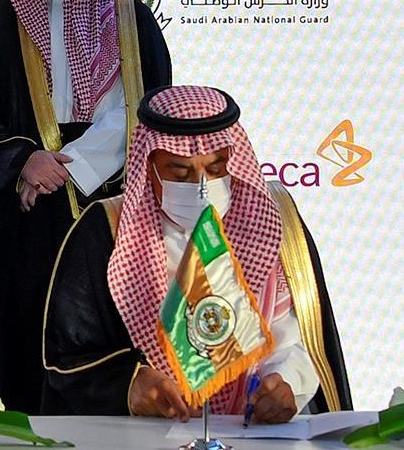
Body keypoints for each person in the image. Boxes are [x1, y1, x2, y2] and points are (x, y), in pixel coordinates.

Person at [0, 0, 172, 413]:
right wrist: (24, 160)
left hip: (107, 200)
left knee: (98, 322)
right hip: (24, 202)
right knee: (23, 323)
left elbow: (146, 106)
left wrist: (73, 167)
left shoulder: (130, 20)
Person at [42, 85, 350, 421]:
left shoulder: (273, 221)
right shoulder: (107, 229)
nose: (203, 186)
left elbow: (300, 337)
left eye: (216, 169)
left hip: (255, 434)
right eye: (180, 172)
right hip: (147, 438)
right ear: (149, 166)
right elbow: (68, 355)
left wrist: (285, 382)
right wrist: (130, 385)